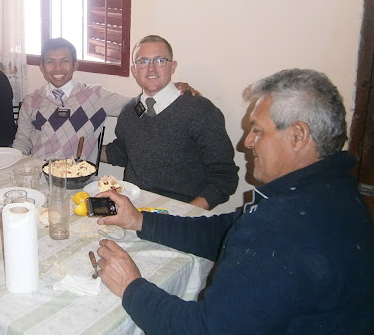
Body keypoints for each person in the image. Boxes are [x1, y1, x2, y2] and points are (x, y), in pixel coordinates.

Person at [94, 68, 374, 334]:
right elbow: (225, 231)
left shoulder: (284, 229)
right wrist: (140, 220)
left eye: (258, 130)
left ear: (297, 136)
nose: (247, 142)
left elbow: (205, 330)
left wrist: (131, 286)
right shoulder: (332, 192)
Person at [102, 35, 238, 209]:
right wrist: (78, 150)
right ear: (134, 70)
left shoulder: (200, 111)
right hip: (133, 207)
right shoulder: (129, 110)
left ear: (173, 67)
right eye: (143, 61)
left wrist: (186, 214)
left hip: (181, 211)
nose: (151, 68)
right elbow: (121, 153)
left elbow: (225, 178)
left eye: (160, 60)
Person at [13, 37, 197, 161]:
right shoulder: (31, 101)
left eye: (65, 61)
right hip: (38, 174)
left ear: (75, 65)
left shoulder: (95, 96)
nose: (57, 68)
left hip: (76, 181)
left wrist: (171, 90)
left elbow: (142, 105)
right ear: (42, 67)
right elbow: (22, 143)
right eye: (50, 62)